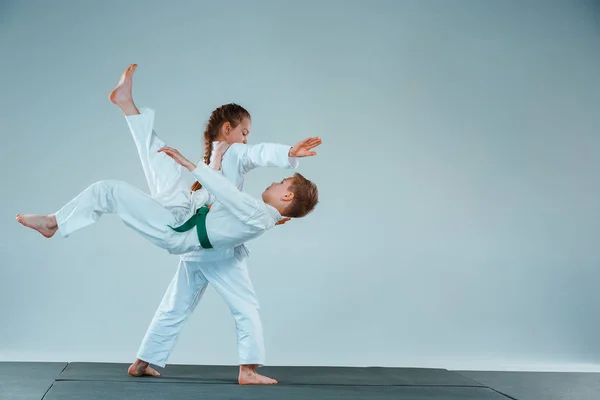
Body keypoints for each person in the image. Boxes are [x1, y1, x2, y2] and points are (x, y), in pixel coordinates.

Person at [107, 65, 321, 384]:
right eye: (244, 133)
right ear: (227, 130)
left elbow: (238, 206)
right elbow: (257, 158)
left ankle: (143, 361)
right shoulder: (231, 155)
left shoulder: (216, 159)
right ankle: (248, 370)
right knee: (245, 306)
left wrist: (273, 207)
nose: (248, 140)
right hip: (214, 251)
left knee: (175, 306)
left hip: (197, 243)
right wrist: (288, 152)